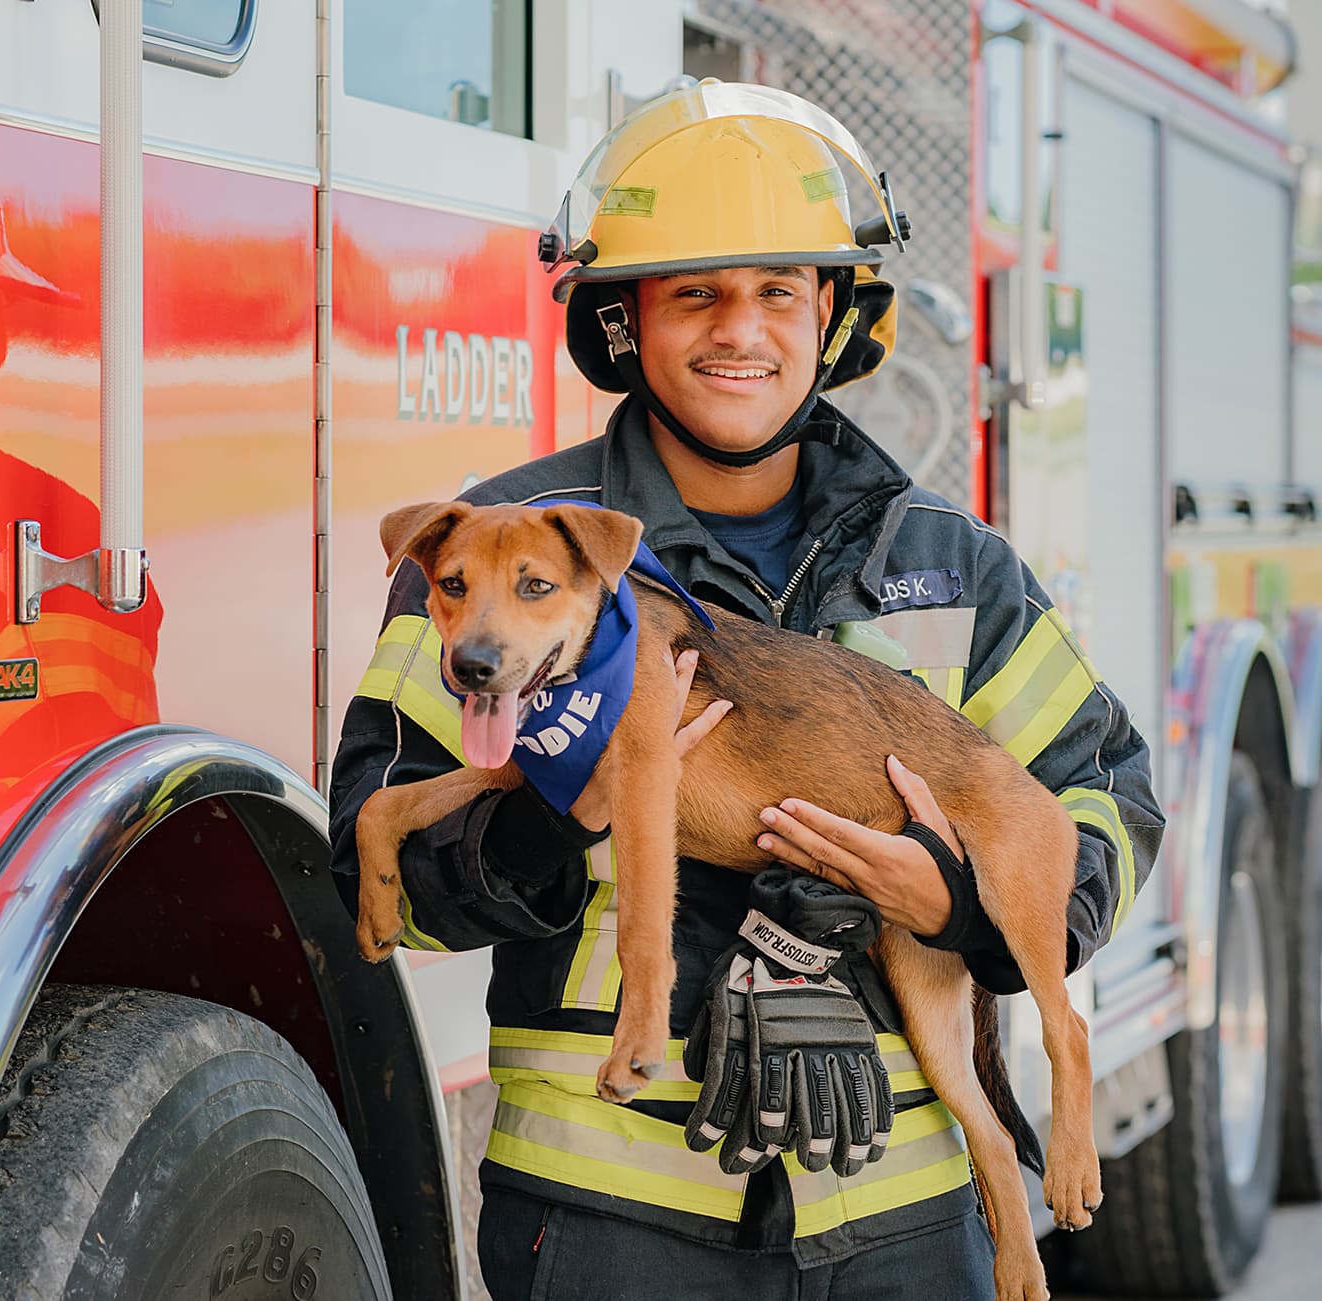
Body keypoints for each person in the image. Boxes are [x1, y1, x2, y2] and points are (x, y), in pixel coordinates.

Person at [327, 82, 1163, 1299]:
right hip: (611, 1230)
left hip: (907, 1228)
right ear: (625, 321)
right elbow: (379, 871)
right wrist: (558, 805)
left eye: (781, 291)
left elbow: (1108, 801)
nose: (742, 331)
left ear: (833, 316)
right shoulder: (499, 559)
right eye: (696, 294)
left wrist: (962, 903)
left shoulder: (947, 561)